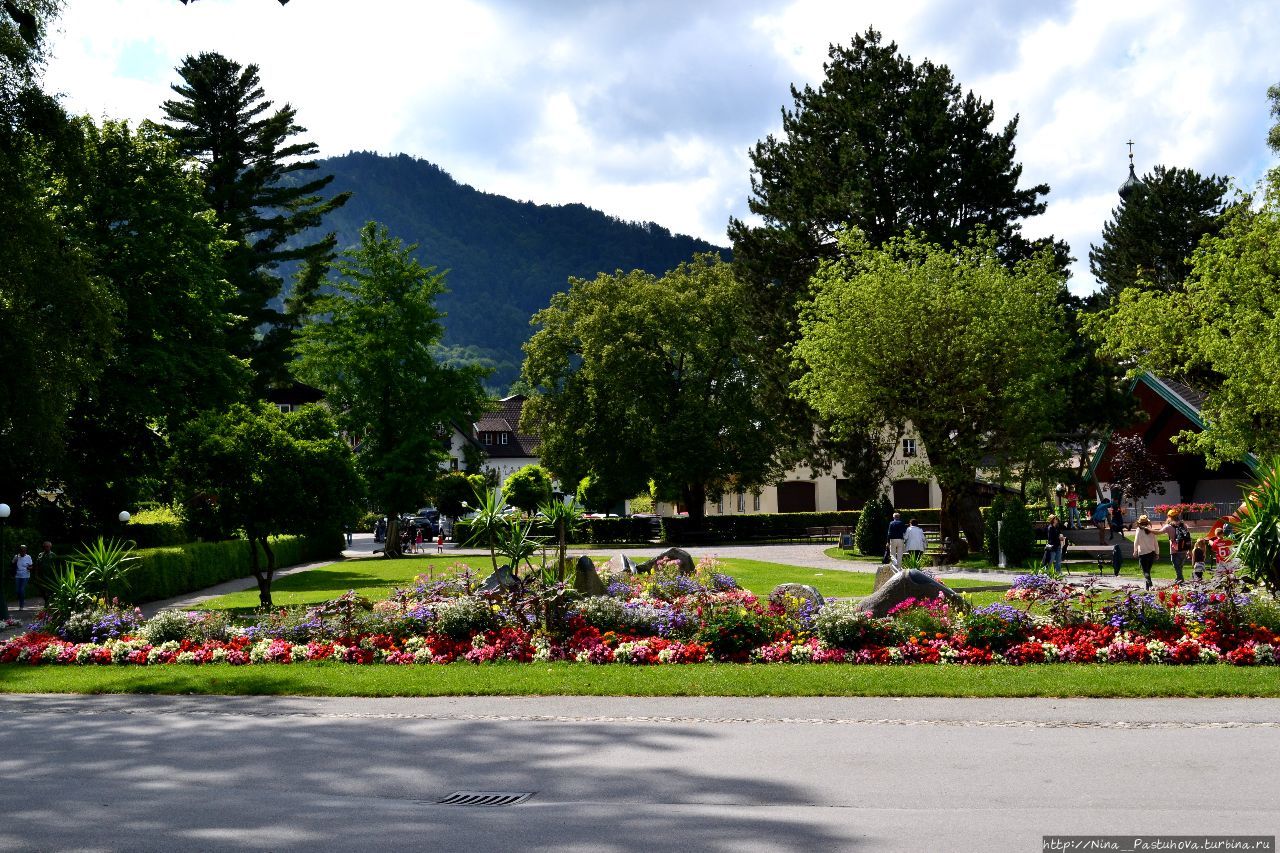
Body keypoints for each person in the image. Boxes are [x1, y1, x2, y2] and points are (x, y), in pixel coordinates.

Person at [1160, 508, 1191, 583]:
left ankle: (1180, 580)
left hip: (1174, 550)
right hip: (1183, 549)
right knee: (1180, 566)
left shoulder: (1168, 526)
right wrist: (1189, 550)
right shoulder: (1183, 525)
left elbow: (1158, 532)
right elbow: (1188, 537)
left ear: (1170, 517)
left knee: (1177, 566)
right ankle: (1178, 579)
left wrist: (1148, 529)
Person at [1132, 515, 1159, 590]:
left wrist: (1135, 551)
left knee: (1145, 571)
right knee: (1148, 571)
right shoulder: (1151, 530)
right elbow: (1155, 543)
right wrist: (1157, 553)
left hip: (1143, 553)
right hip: (1151, 553)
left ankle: (1149, 583)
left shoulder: (1138, 530)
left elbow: (1136, 542)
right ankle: (1147, 588)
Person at [33, 541, 58, 608]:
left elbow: (56, 567)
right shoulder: (40, 555)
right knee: (42, 591)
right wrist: (36, 574)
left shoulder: (53, 555)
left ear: (50, 547)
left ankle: (48, 604)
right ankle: (47, 602)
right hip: (42, 576)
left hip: (50, 577)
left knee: (49, 592)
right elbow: (37, 565)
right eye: (44, 546)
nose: (46, 548)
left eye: (47, 546)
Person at [11, 545, 32, 611]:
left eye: (24, 550)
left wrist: (29, 568)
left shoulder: (28, 557)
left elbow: (31, 566)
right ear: (19, 551)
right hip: (17, 575)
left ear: (25, 551)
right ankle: (21, 599)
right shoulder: (16, 556)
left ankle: (21, 606)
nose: (22, 552)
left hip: (25, 575)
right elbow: (12, 563)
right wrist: (15, 560)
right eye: (21, 550)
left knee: (21, 590)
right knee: (18, 590)